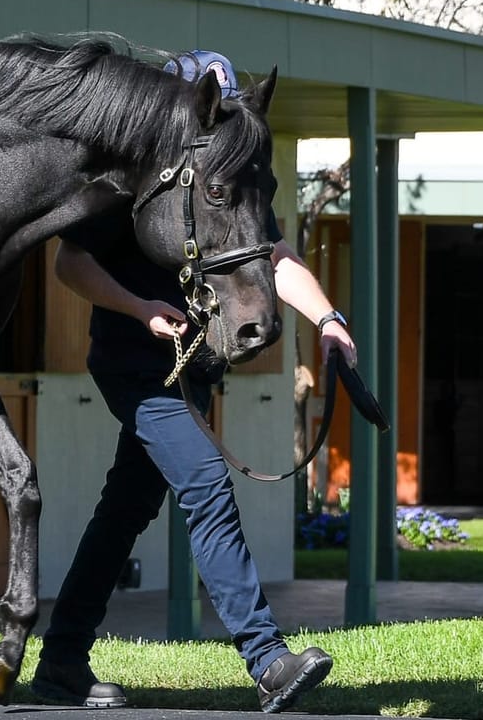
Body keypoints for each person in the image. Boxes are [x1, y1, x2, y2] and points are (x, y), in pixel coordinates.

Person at [29, 51, 355, 714]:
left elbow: (275, 255)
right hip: (133, 365)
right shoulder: (125, 174)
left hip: (190, 371)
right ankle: (267, 661)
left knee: (122, 514)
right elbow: (71, 264)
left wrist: (327, 317)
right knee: (205, 482)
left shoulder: (229, 174)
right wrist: (140, 308)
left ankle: (62, 661)